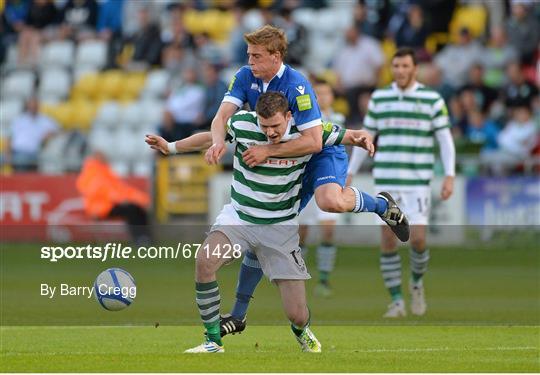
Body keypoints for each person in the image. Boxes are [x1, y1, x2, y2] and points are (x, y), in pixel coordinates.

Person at [203, 25, 409, 336]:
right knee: (264, 223)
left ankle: (382, 205)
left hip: (316, 153)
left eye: (256, 56)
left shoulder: (297, 85)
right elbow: (220, 118)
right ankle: (239, 315)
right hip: (288, 159)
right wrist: (216, 142)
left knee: (330, 201)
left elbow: (314, 141)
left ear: (276, 56)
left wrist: (267, 151)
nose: (250, 61)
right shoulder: (245, 76)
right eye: (249, 55)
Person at [145, 92, 375, 353]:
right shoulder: (243, 123)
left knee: (297, 314)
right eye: (264, 127)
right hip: (239, 218)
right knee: (205, 260)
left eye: (275, 126)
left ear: (289, 117)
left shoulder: (309, 131)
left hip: (280, 226)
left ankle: (301, 330)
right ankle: (212, 341)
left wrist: (362, 137)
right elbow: (211, 136)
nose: (270, 133)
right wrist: (171, 147)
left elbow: (349, 135)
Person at [347, 48, 456, 318]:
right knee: (388, 240)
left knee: (418, 240)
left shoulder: (431, 99)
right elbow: (366, 137)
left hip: (417, 181)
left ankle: (416, 283)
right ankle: (396, 301)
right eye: (396, 66)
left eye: (405, 66)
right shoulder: (380, 98)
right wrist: (349, 172)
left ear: (415, 69)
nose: (400, 70)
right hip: (386, 180)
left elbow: (444, 139)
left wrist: (449, 175)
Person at [297, 79, 346, 297]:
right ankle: (299, 276)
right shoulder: (305, 119)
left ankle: (325, 279)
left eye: (327, 93)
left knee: (328, 230)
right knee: (302, 233)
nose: (323, 97)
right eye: (318, 94)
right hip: (307, 180)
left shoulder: (339, 119)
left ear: (332, 97)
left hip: (328, 180)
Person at [76, 151, 151, 245]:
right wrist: (121, 200)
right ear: (96, 157)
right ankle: (140, 239)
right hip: (101, 208)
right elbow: (102, 191)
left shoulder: (103, 170)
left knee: (137, 209)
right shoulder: (92, 172)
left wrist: (141, 199)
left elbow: (120, 188)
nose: (106, 157)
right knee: (131, 210)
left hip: (110, 204)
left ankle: (144, 238)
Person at [5, 96, 58, 171]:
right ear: (27, 105)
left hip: (33, 152)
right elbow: (9, 137)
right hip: (18, 151)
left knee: (24, 160)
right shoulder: (19, 120)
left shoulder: (44, 120)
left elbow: (58, 130)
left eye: (35, 105)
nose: (33, 107)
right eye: (31, 105)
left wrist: (50, 134)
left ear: (38, 106)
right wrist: (8, 154)